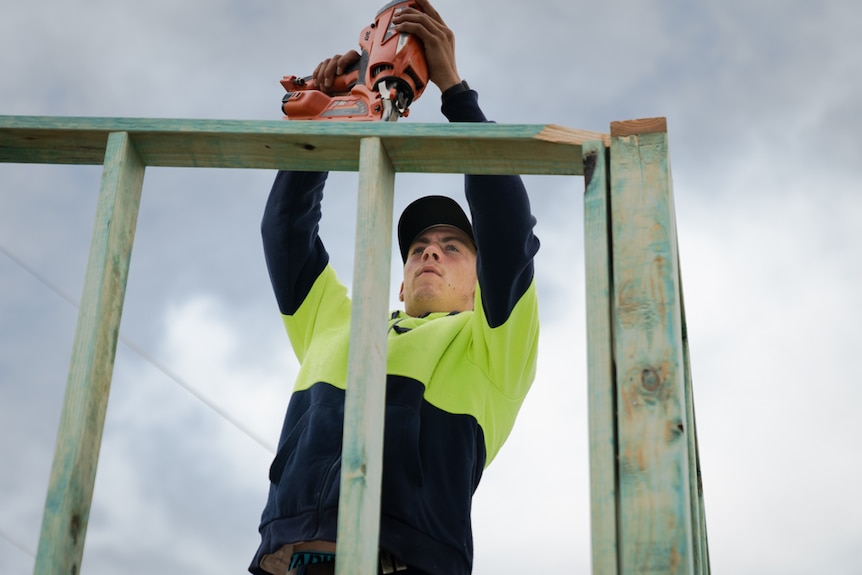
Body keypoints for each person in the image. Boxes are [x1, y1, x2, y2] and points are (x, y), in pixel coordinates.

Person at [250, 1, 540, 573]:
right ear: (402, 284)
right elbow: (285, 232)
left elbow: (509, 233)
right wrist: (329, 118)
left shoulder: (492, 348)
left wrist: (456, 92)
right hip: (290, 561)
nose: (430, 250)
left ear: (480, 282)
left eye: (453, 246)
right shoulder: (341, 325)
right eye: (417, 248)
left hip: (410, 562)